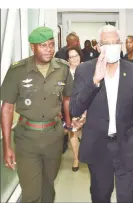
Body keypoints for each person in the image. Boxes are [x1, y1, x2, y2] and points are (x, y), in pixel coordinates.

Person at [70, 24, 133, 203]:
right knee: (100, 196)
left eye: (115, 42)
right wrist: (95, 80)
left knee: (126, 197)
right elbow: (75, 109)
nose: (111, 47)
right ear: (98, 47)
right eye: (106, 43)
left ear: (120, 45)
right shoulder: (85, 70)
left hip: (127, 146)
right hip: (98, 147)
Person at [1, 26, 73, 202]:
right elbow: (7, 108)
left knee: (48, 188)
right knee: (31, 194)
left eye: (51, 44)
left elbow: (67, 99)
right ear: (32, 47)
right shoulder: (17, 70)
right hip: (27, 139)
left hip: (53, 137)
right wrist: (7, 146)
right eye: (43, 45)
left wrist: (69, 124)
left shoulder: (62, 68)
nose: (49, 49)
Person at [65, 46, 85, 171]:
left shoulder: (88, 68)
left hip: (89, 106)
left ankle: (89, 155)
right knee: (73, 131)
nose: (74, 59)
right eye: (71, 57)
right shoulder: (65, 73)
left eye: (76, 56)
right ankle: (76, 158)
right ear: (68, 60)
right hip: (73, 107)